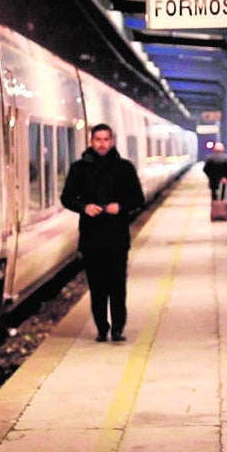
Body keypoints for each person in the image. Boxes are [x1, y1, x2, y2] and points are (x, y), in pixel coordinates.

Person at [60, 123, 145, 343]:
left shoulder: (124, 168)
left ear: (113, 141)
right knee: (97, 287)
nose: (102, 144)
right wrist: (84, 207)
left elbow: (138, 199)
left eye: (106, 139)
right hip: (91, 238)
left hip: (117, 238)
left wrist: (121, 206)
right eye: (98, 139)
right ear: (91, 141)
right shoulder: (78, 169)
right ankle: (101, 328)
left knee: (118, 285)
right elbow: (67, 197)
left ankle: (118, 328)